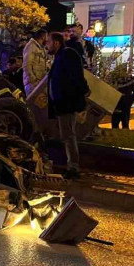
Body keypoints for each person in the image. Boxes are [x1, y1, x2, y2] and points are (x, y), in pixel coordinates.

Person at [46, 32, 89, 180]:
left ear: (56, 43)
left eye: (49, 42)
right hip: (61, 104)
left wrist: (82, 93)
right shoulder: (59, 57)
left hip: (67, 103)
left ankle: (73, 168)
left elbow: (77, 76)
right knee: (66, 135)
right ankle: (70, 165)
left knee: (69, 135)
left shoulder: (67, 54)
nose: (47, 45)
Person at [23, 29, 49, 96]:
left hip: (39, 83)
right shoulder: (31, 46)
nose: (48, 39)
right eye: (47, 36)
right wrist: (33, 80)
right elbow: (27, 64)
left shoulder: (41, 48)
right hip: (33, 84)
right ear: (43, 37)